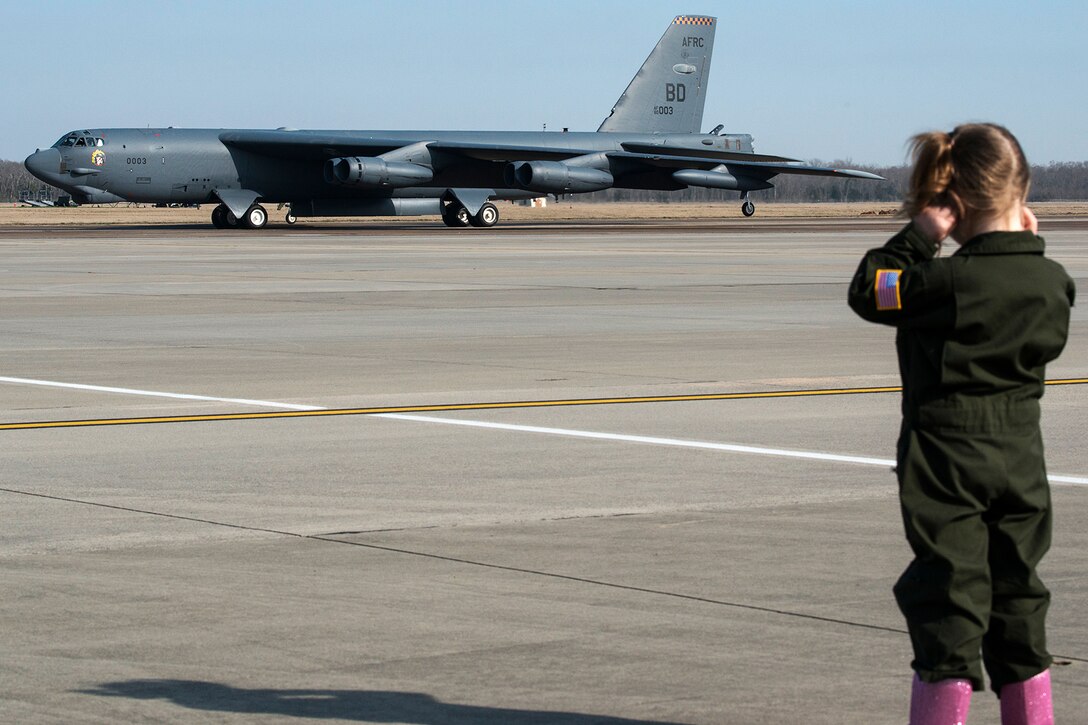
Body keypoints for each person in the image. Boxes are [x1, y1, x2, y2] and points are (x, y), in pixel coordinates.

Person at [847, 123, 1075, 725]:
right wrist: (1027, 249)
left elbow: (870, 289)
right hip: (1021, 464)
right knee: (1019, 600)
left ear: (954, 202)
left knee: (948, 606)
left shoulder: (937, 283)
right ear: (1021, 197)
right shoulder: (1053, 284)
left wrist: (921, 235)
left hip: (943, 466)